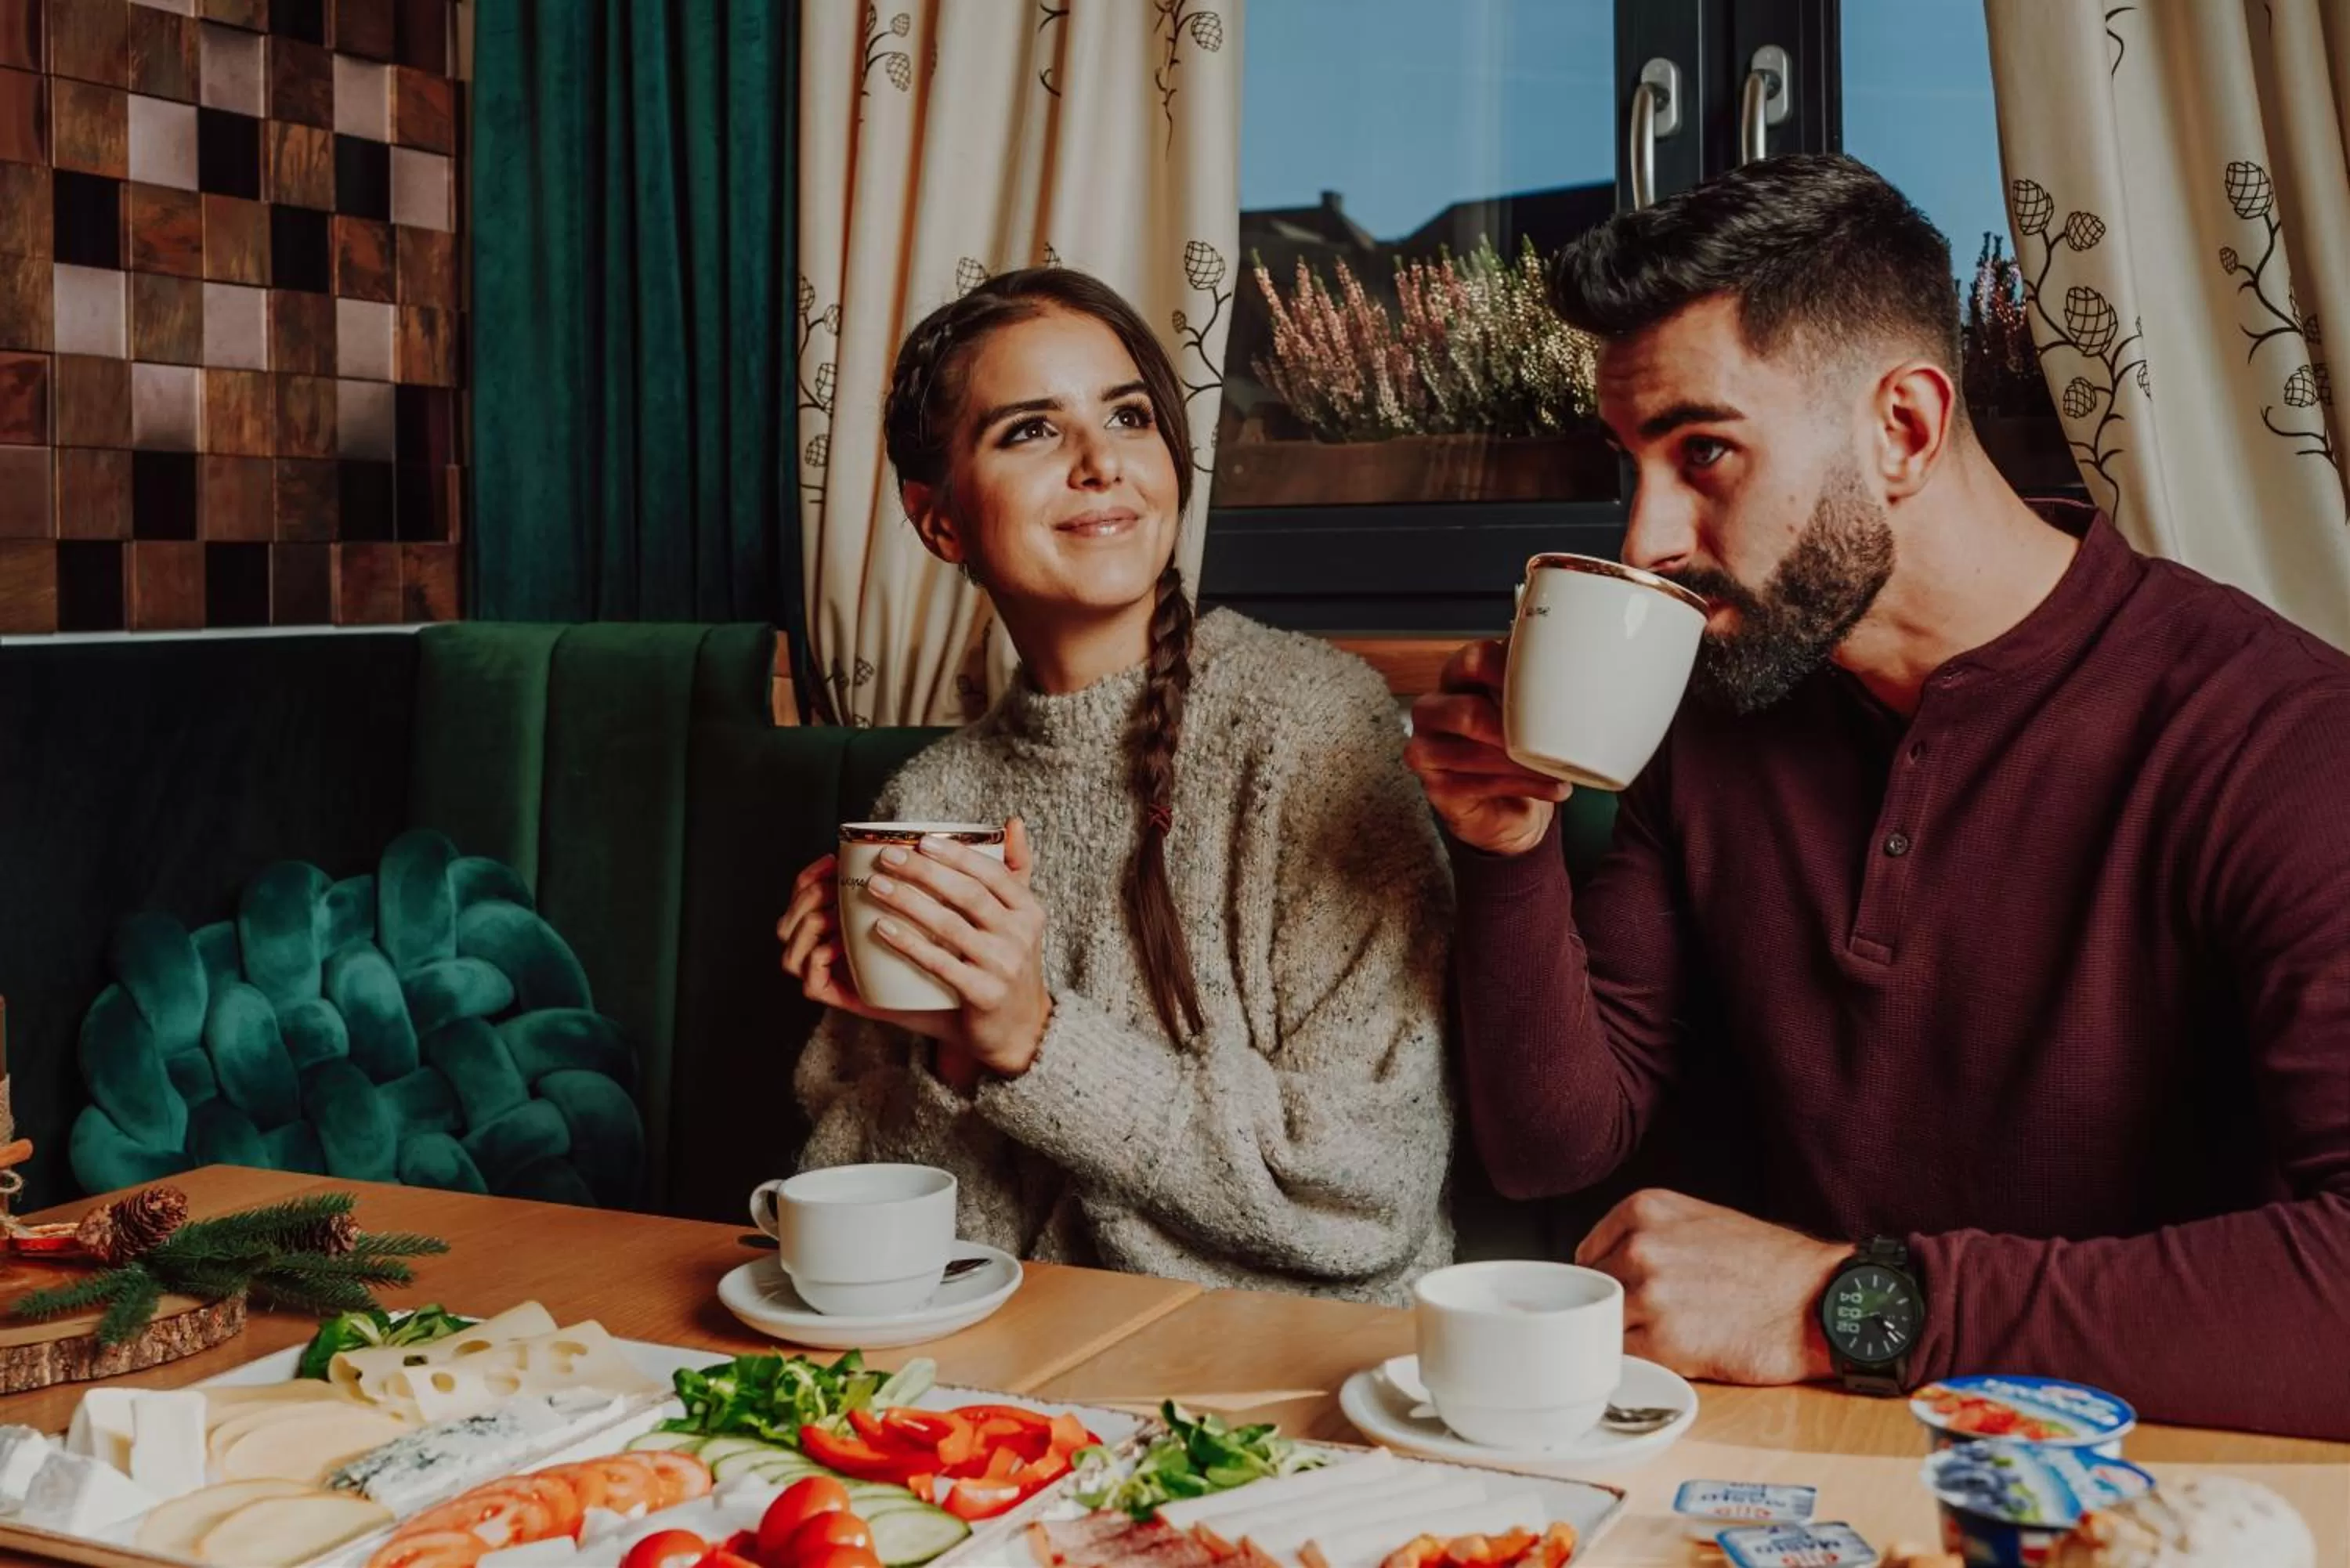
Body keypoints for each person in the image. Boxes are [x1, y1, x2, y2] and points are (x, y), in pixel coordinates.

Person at [1407, 153, 2350, 1437]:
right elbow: (1560, 1146)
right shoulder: (1711, 702)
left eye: (1706, 451)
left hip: (2140, 1492)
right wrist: (1508, 843)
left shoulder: (2281, 740)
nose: (1646, 541)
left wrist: (1843, 1303)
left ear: (1902, 427)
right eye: (1634, 462)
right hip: (1777, 1475)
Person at [778, 266, 1455, 1303]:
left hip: (1298, 1388)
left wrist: (1035, 1042)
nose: (1101, 463)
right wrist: (950, 1061)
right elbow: (883, 1252)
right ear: (940, 521)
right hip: (1029, 1388)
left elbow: (1366, 1194)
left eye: (1129, 416)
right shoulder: (928, 810)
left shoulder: (1313, 731)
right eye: (1030, 432)